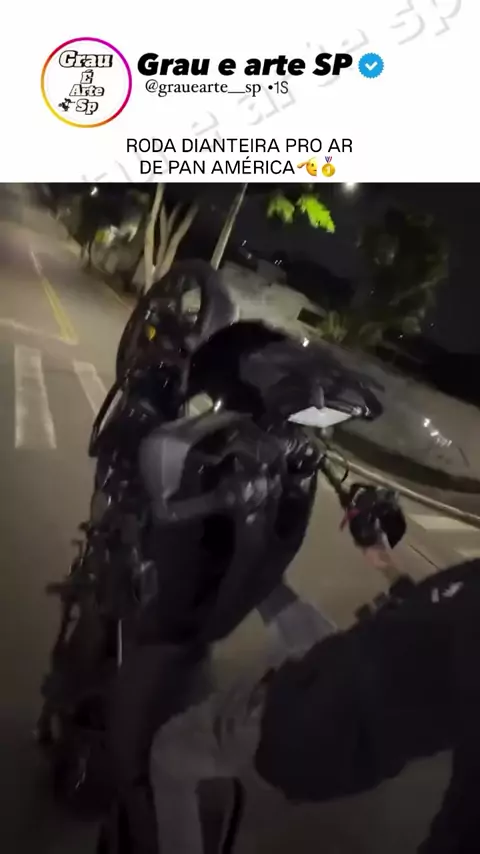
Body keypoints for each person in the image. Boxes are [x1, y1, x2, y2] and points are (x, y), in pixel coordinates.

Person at [149, 526, 480, 854]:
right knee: (266, 586)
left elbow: (464, 824)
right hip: (344, 658)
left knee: (168, 754)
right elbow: (434, 610)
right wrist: (385, 562)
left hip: (313, 720)